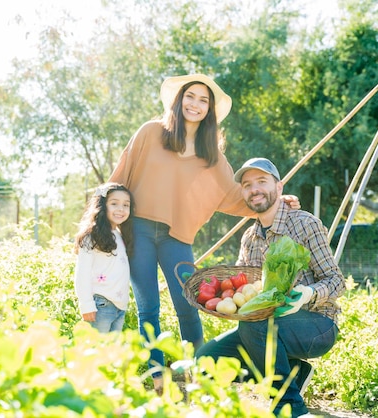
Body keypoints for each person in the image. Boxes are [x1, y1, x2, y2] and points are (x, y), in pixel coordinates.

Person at [108, 74, 300, 391]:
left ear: (209, 110)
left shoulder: (212, 157)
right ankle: (157, 376)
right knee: (148, 308)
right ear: (179, 99)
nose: (195, 104)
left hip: (176, 238)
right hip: (137, 231)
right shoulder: (150, 133)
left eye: (203, 100)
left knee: (189, 303)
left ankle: (196, 373)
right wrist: (100, 223)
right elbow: (119, 178)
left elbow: (237, 196)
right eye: (190, 96)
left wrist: (277, 199)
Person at [195, 158, 346, 418]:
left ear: (279, 186)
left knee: (255, 324)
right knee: (207, 361)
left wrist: (308, 295)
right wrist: (223, 296)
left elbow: (336, 281)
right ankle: (295, 371)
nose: (254, 189)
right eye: (247, 185)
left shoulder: (304, 224)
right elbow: (243, 292)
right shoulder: (249, 238)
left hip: (317, 324)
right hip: (267, 326)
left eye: (262, 182)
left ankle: (292, 410)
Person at [73, 182, 134, 333]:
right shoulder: (92, 236)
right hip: (100, 305)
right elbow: (82, 273)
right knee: (96, 352)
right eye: (114, 204)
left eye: (126, 205)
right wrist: (86, 304)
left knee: (110, 353)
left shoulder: (120, 235)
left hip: (119, 307)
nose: (121, 209)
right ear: (102, 205)